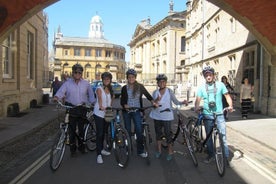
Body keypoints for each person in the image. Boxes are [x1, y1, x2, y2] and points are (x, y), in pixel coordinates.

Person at [53, 64, 95, 156]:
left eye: (79, 72)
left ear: (81, 74)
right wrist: (56, 97)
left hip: (82, 108)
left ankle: (82, 147)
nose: (77, 74)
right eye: (75, 72)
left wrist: (93, 103)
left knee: (81, 130)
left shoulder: (86, 83)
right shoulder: (67, 83)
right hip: (71, 108)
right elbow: (61, 92)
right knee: (71, 130)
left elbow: (91, 95)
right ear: (73, 73)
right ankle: (73, 150)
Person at [194, 66, 233, 165]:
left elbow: (227, 96)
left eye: (210, 74)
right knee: (208, 136)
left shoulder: (220, 85)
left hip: (219, 114)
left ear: (213, 75)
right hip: (207, 114)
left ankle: (226, 157)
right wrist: (197, 107)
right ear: (204, 76)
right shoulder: (202, 88)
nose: (208, 77)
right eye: (206, 75)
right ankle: (211, 154)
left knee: (222, 136)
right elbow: (198, 100)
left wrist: (231, 106)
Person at [149, 74, 188, 161]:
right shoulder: (155, 93)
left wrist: (182, 102)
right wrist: (156, 101)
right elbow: (153, 105)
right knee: (158, 134)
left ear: (166, 83)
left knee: (168, 134)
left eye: (163, 81)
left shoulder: (169, 91)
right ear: (158, 83)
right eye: (160, 82)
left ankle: (170, 151)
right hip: (157, 116)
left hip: (166, 116)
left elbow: (176, 102)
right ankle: (159, 150)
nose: (162, 83)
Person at [120, 68, 157, 158]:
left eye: (133, 77)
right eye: (129, 77)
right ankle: (129, 148)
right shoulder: (124, 88)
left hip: (136, 111)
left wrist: (153, 102)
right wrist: (125, 105)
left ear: (135, 77)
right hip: (127, 112)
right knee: (127, 131)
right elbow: (122, 101)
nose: (131, 79)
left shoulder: (140, 87)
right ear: (127, 78)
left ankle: (140, 150)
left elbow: (148, 95)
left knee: (139, 130)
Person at [93, 72, 113, 164]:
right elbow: (100, 99)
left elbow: (110, 102)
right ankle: (98, 155)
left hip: (107, 114)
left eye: (108, 79)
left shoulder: (110, 90)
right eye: (105, 79)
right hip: (99, 113)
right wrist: (101, 106)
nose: (106, 80)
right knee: (100, 133)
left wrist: (110, 109)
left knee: (104, 132)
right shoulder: (99, 89)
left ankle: (101, 149)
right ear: (102, 80)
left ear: (110, 80)